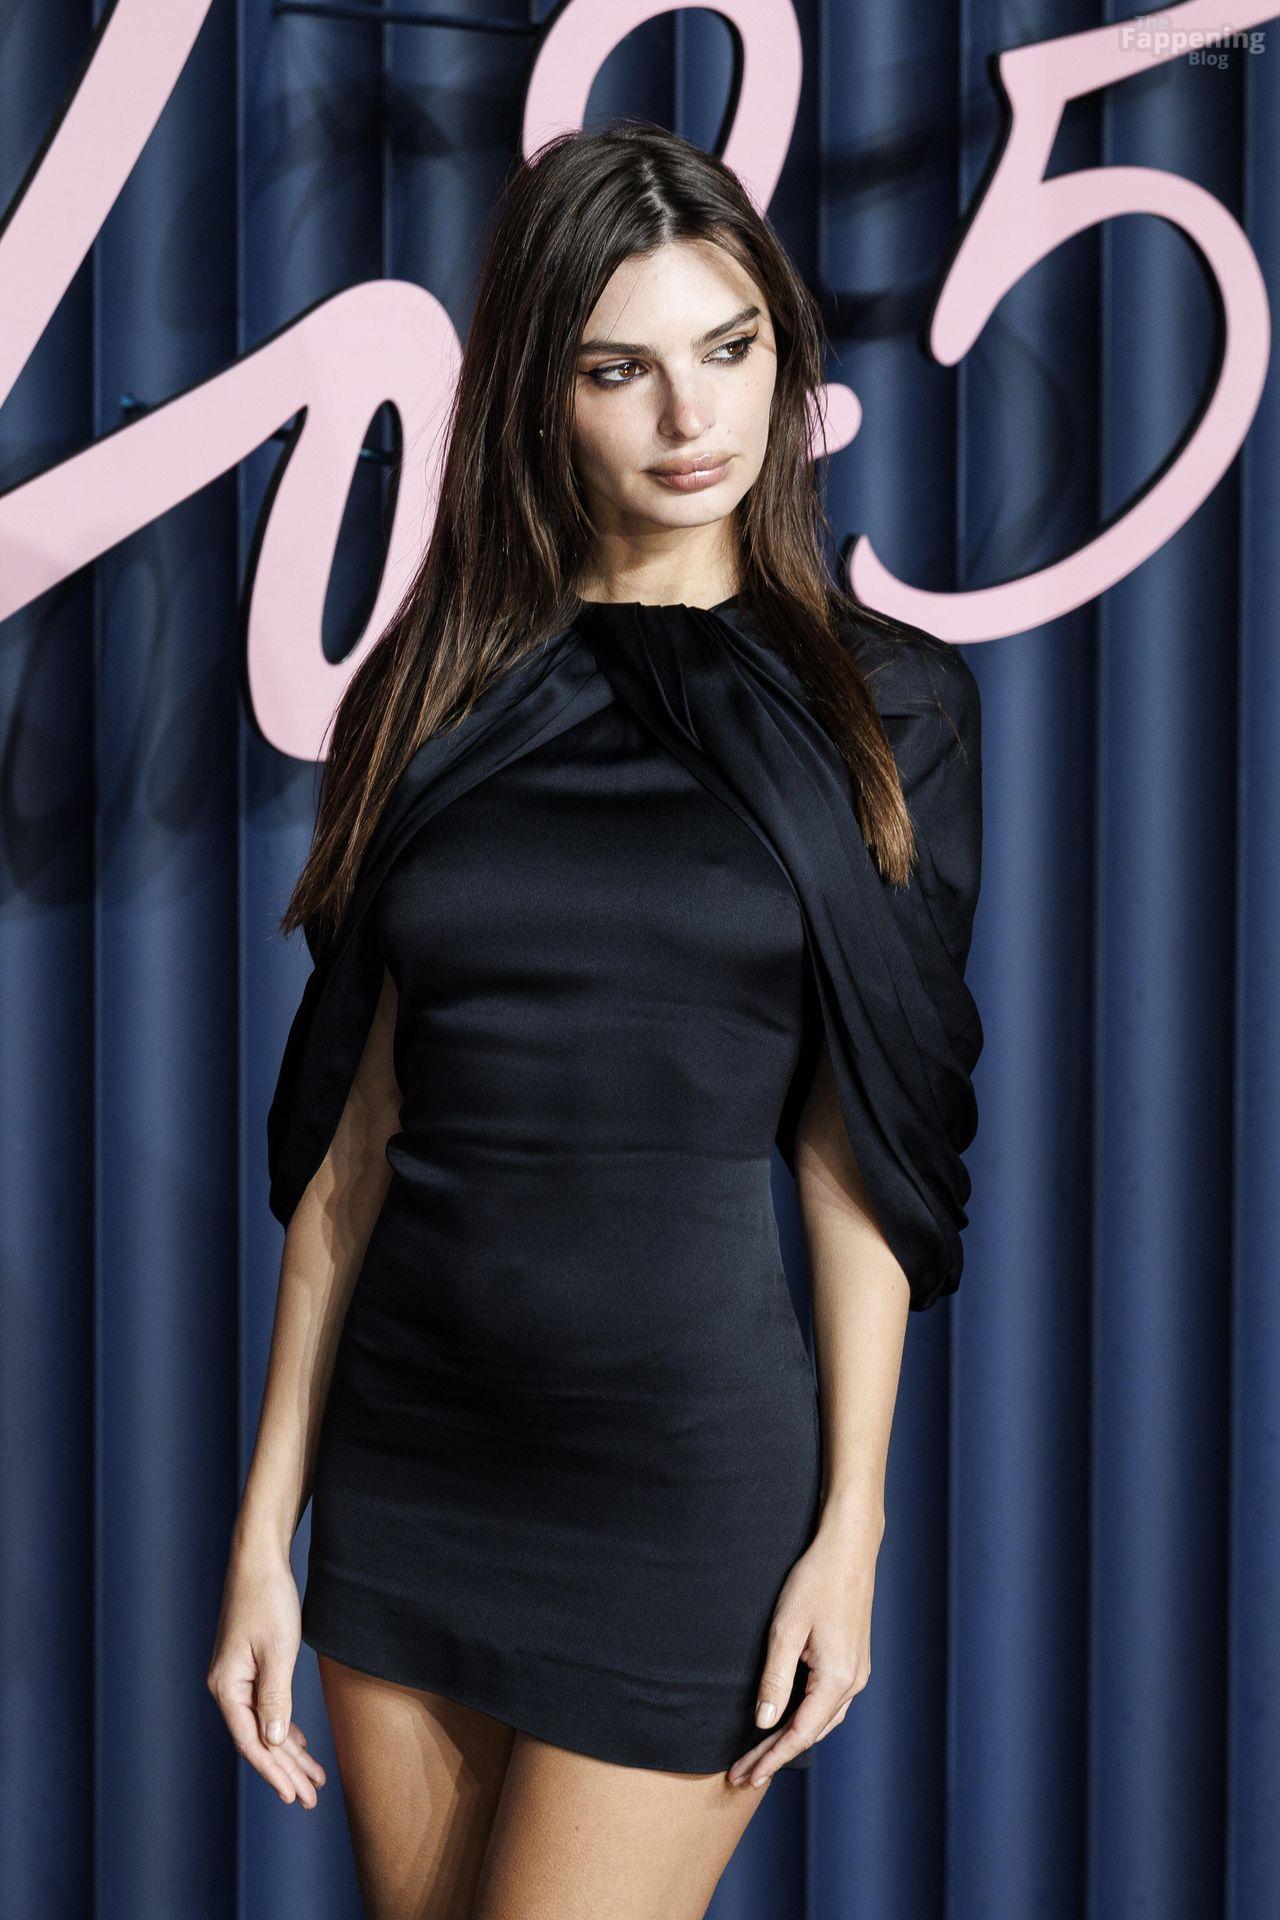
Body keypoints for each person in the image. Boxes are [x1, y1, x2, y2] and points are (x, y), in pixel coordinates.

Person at [206, 120, 983, 1920]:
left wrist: (852, 1528)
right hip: (411, 1462)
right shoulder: (431, 691)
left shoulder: (887, 712)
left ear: (783, 353)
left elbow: (858, 1151)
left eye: (730, 348)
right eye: (619, 368)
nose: (690, 416)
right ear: (538, 398)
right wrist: (263, 1534)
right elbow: (354, 1145)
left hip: (683, 1481)